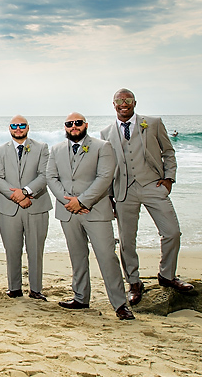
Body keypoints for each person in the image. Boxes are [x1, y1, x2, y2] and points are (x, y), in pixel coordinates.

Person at [100, 89, 192, 305]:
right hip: (124, 190)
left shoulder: (153, 123)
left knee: (172, 232)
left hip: (153, 184)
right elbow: (107, 167)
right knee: (127, 241)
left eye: (128, 100)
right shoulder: (106, 133)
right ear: (113, 104)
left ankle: (167, 276)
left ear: (134, 102)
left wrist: (169, 178)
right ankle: (133, 282)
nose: (124, 104)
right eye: (120, 101)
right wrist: (109, 197)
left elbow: (168, 152)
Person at [46, 112, 134, 320]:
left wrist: (83, 201)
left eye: (77, 123)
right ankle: (80, 297)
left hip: (96, 210)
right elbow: (51, 176)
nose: (73, 127)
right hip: (68, 211)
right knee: (77, 257)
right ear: (65, 127)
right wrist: (69, 202)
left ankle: (120, 304)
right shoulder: (56, 149)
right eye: (69, 124)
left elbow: (105, 177)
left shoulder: (102, 147)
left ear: (85, 125)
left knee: (107, 257)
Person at [0, 115, 51, 300]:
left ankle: (36, 290)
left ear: (27, 127)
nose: (18, 128)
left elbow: (44, 175)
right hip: (9, 208)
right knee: (12, 249)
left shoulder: (42, 148)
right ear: (9, 128)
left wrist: (26, 192)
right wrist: (16, 196)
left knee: (35, 250)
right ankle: (14, 288)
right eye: (14, 126)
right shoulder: (0, 151)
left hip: (36, 205)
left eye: (21, 125)